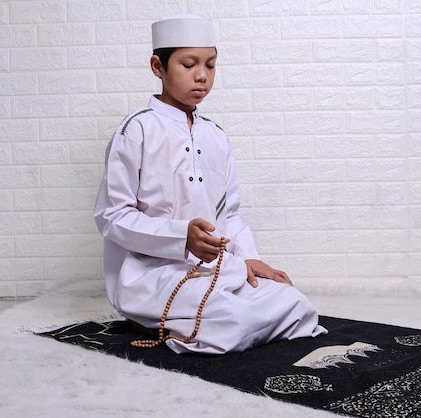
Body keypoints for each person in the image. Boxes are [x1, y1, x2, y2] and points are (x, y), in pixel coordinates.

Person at [93, 14, 327, 354]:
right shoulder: (136, 131)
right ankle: (150, 316)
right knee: (230, 318)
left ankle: (196, 318)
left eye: (211, 65)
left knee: (294, 303)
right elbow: (112, 217)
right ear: (158, 66)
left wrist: (248, 258)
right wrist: (180, 237)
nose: (202, 75)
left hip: (217, 269)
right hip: (151, 274)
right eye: (188, 64)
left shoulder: (214, 135)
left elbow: (230, 212)